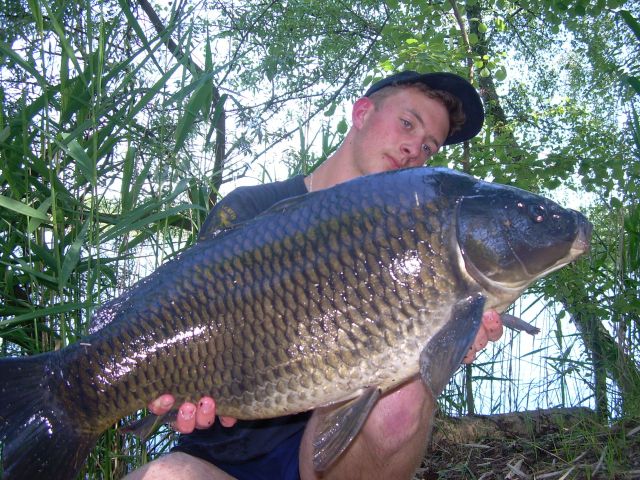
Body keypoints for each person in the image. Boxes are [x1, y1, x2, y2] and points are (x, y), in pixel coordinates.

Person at [125, 71, 504, 480]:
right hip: (220, 456)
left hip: (325, 459)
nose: (415, 147)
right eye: (407, 124)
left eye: (429, 146)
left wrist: (448, 340)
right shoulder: (252, 209)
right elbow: (184, 316)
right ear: (362, 113)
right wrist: (174, 389)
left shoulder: (412, 242)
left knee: (405, 393)